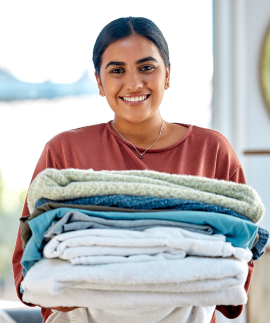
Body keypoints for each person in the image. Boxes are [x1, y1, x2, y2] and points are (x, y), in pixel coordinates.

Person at [12, 16, 254, 323]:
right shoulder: (64, 152)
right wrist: (68, 290)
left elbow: (239, 257)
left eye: (147, 67)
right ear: (99, 82)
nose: (134, 83)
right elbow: (27, 263)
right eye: (116, 71)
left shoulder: (212, 150)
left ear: (168, 74)